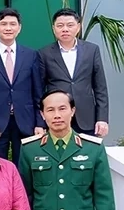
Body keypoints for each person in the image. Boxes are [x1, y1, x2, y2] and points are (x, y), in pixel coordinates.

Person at [0, 7, 45, 163]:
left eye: (13, 24)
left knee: (24, 164)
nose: (8, 28)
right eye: (4, 24)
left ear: (19, 28)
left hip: (25, 120)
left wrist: (40, 122)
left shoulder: (31, 55)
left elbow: (38, 92)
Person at [38, 8, 109, 137]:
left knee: (88, 155)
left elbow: (100, 88)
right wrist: (40, 122)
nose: (65, 29)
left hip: (87, 118)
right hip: (57, 118)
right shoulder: (44, 53)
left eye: (70, 25)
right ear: (54, 28)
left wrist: (102, 118)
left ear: (78, 27)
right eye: (60, 25)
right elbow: (40, 90)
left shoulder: (91, 50)